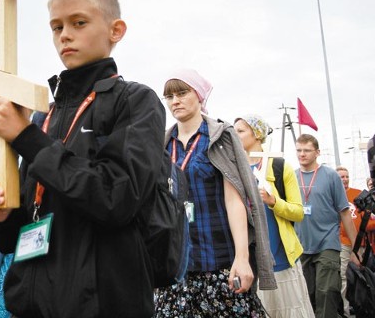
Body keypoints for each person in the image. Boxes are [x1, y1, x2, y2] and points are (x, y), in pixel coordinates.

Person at [0, 0, 165, 318]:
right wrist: (3, 217)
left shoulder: (136, 101)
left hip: (101, 302)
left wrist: (26, 137)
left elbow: (115, 198)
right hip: (32, 303)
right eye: (56, 26)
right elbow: (16, 234)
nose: (65, 35)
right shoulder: (43, 116)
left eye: (79, 23)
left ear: (115, 30)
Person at [153, 70, 275, 317]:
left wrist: (242, 257)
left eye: (182, 93)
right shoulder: (163, 143)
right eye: (169, 96)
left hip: (218, 259)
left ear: (199, 96)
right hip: (177, 264)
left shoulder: (220, 136)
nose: (174, 100)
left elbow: (235, 199)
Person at [234, 115, 314, 318]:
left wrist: (273, 201)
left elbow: (298, 212)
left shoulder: (279, 166)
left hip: (281, 257)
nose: (235, 134)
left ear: (257, 134)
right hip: (251, 260)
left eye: (241, 130)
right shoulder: (234, 169)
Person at [294, 134, 359, 318]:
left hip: (327, 243)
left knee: (326, 292)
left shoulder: (330, 176)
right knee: (308, 294)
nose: (302, 154)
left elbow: (345, 212)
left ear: (317, 152)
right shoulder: (291, 176)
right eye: (299, 150)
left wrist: (355, 247)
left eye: (307, 150)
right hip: (301, 245)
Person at [336, 166, 375, 318]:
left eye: (346, 176)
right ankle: (345, 311)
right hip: (343, 242)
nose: (344, 179)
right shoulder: (333, 195)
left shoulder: (357, 194)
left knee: (364, 276)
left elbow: (369, 218)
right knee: (344, 277)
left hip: (362, 243)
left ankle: (365, 308)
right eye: (341, 177)